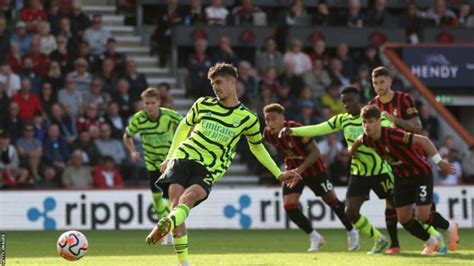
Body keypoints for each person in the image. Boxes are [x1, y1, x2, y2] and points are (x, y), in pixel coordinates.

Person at [145, 63, 300, 266]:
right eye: (212, 83)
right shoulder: (203, 104)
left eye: (219, 82)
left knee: (188, 198)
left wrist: (278, 173)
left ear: (232, 82)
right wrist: (169, 156)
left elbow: (257, 147)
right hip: (184, 157)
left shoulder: (248, 118)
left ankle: (167, 223)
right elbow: (184, 127)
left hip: (210, 167)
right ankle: (184, 262)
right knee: (177, 204)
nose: (215, 87)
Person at [279, 86, 399, 254]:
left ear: (359, 100)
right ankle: (379, 239)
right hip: (359, 173)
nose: (346, 104)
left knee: (402, 209)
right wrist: (293, 131)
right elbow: (319, 128)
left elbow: (394, 134)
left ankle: (431, 235)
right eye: (343, 102)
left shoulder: (375, 118)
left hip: (381, 171)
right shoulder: (342, 120)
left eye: (349, 100)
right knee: (349, 212)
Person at [351, 104, 459, 255]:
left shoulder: (393, 135)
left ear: (378, 121)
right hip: (401, 178)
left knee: (422, 215)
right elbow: (357, 141)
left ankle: (450, 227)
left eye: (370, 121)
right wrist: (352, 151)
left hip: (420, 174)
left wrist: (439, 162)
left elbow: (424, 141)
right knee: (404, 218)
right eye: (364, 122)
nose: (366, 125)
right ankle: (431, 242)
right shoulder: (367, 139)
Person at [262, 103, 358, 252]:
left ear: (283, 119)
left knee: (333, 202)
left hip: (314, 171)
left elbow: (315, 153)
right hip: (293, 171)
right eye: (267, 120)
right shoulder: (267, 134)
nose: (270, 123)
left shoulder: (296, 129)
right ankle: (314, 237)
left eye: (273, 119)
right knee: (289, 206)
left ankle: (351, 231)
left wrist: (299, 170)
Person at [123, 87, 183, 245]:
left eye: (152, 103)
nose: (149, 106)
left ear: (159, 103)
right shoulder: (138, 119)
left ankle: (171, 230)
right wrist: (132, 151)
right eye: (146, 103)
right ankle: (164, 230)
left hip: (169, 163)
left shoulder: (169, 116)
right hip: (151, 164)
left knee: (171, 198)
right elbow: (127, 136)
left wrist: (185, 144)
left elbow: (187, 124)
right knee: (157, 201)